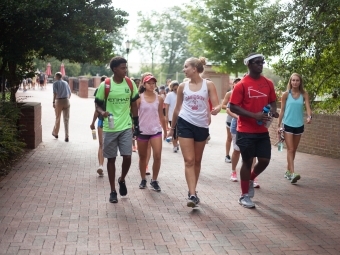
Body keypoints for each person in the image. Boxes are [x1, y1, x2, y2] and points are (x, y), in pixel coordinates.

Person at [168, 57, 221, 208]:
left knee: (197, 161)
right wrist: (172, 129)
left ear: (194, 69)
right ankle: (192, 194)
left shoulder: (208, 85)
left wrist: (216, 109)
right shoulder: (182, 87)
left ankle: (193, 190)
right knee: (189, 160)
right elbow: (177, 109)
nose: (184, 69)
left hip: (201, 125)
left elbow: (216, 104)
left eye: (186, 67)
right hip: (185, 123)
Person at [229, 53, 278, 209]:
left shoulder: (268, 83)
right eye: (257, 62)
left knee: (264, 160)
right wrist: (254, 115)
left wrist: (272, 111)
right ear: (249, 64)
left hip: (261, 130)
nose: (260, 64)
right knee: (247, 161)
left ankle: (250, 178)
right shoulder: (241, 85)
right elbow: (233, 106)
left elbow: (272, 101)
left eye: (262, 62)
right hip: (245, 130)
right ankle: (244, 196)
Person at [95, 56, 139, 203]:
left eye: (126, 67)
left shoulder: (130, 83)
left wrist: (136, 123)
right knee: (111, 159)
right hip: (110, 127)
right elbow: (98, 104)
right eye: (122, 68)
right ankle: (113, 191)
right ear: (114, 69)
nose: (125, 70)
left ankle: (122, 179)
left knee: (127, 157)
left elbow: (134, 104)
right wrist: (102, 113)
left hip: (126, 126)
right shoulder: (105, 85)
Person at [277, 73, 312, 184]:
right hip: (287, 124)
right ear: (290, 81)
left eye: (297, 80)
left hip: (299, 126)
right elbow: (281, 111)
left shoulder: (304, 94)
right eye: (293, 80)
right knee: (290, 149)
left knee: (294, 150)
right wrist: (278, 125)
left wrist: (309, 116)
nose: (295, 82)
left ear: (300, 82)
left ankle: (287, 171)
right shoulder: (286, 95)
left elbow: (308, 108)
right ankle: (292, 173)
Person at [136, 75, 167, 191]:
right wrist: (133, 128)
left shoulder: (159, 98)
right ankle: (143, 179)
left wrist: (165, 130)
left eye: (153, 83)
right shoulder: (139, 98)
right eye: (149, 83)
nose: (151, 85)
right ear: (144, 85)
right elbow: (134, 115)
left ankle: (154, 180)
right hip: (143, 131)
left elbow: (161, 115)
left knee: (157, 155)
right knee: (142, 157)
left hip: (156, 131)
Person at [90, 75, 107, 176]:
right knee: (102, 144)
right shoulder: (100, 96)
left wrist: (92, 123)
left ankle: (102, 165)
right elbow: (97, 110)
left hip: (107, 122)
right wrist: (92, 122)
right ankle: (101, 165)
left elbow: (96, 110)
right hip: (104, 121)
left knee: (102, 145)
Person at [52, 72, 71, 142]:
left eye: (55, 76)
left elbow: (55, 93)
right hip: (66, 100)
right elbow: (70, 94)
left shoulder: (55, 83)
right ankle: (66, 136)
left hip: (58, 101)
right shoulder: (66, 83)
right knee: (66, 119)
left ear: (57, 77)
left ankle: (56, 133)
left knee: (58, 118)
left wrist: (53, 102)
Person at [164, 81, 180, 152]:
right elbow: (167, 106)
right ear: (172, 88)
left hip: (181, 115)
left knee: (180, 131)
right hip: (172, 116)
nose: (176, 90)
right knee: (174, 131)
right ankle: (175, 144)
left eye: (177, 89)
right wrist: (166, 116)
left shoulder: (181, 94)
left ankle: (176, 141)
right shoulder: (169, 95)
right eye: (175, 89)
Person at [221, 81, 234, 163]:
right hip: (230, 119)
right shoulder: (229, 94)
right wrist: (231, 106)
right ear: (233, 84)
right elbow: (223, 106)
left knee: (241, 139)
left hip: (241, 120)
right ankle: (227, 155)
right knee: (229, 138)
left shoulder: (244, 93)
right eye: (235, 82)